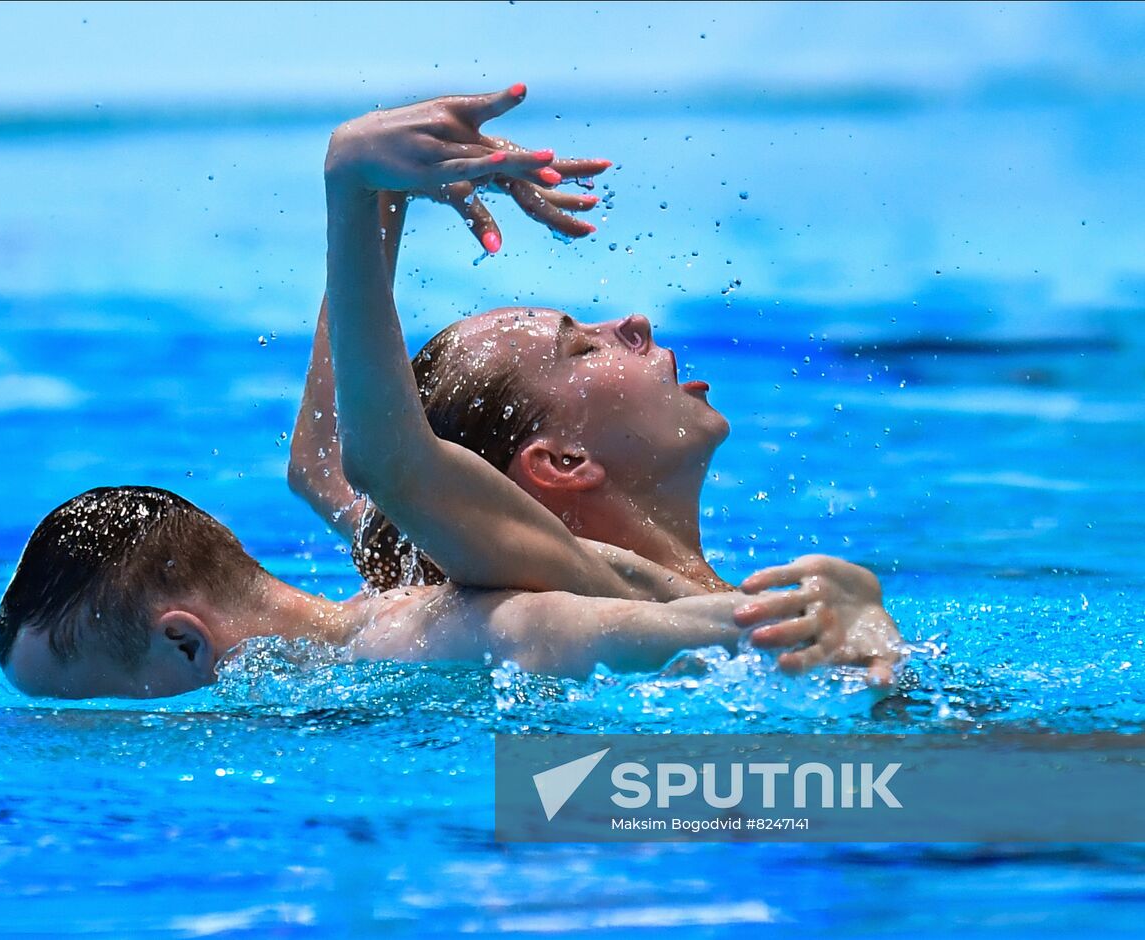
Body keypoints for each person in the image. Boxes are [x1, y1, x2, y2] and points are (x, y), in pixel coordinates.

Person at [291, 84, 903, 682]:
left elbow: (325, 466)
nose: (634, 322)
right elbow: (389, 464)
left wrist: (387, 194)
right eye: (583, 346)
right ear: (562, 461)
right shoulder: (605, 583)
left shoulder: (447, 558)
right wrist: (349, 185)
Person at [0, 486, 818, 699]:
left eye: (102, 707)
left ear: (186, 643)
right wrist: (369, 205)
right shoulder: (387, 575)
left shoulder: (397, 639)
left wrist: (798, 617)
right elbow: (319, 462)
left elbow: (547, 627)